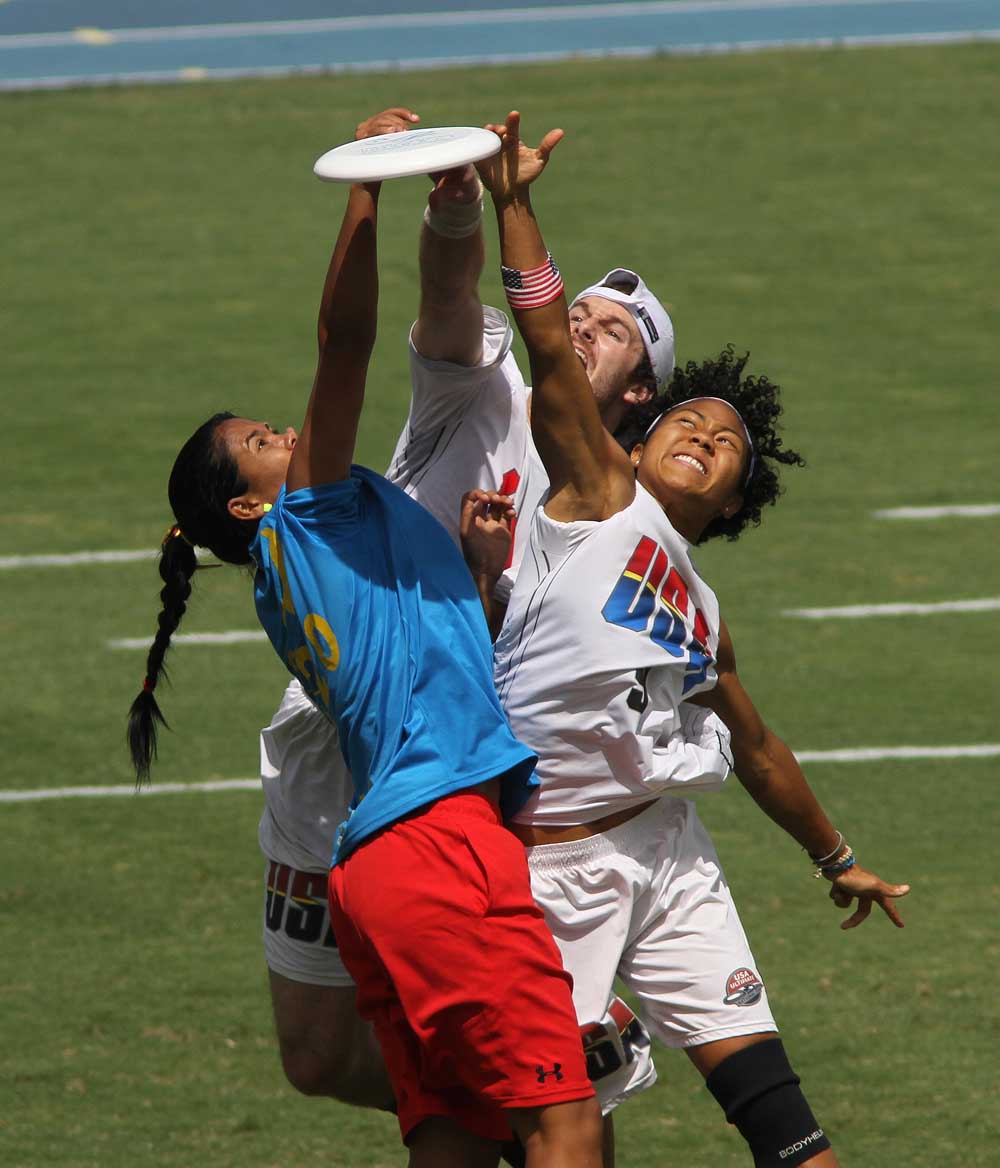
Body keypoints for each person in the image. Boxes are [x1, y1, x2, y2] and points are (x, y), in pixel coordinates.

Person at [127, 154, 604, 1168]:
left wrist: (475, 575)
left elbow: (414, 652)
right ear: (250, 501)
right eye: (263, 440)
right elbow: (343, 344)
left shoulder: (311, 566)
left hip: (378, 868)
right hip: (443, 845)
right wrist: (364, 191)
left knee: (459, 1135)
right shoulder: (308, 517)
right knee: (567, 1120)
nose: (288, 432)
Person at [477, 110, 911, 1168]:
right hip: (548, 872)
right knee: (558, 1144)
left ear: (733, 499)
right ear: (638, 437)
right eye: (689, 419)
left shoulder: (705, 615)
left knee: (789, 1132)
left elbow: (757, 749)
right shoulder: (598, 495)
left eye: (725, 444)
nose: (705, 434)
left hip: (667, 854)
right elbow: (546, 341)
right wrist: (514, 204)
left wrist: (838, 859)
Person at [254, 105, 678, 1137]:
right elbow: (446, 297)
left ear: (640, 393)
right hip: (336, 734)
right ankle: (546, 1084)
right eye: (579, 309)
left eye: (615, 330)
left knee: (536, 1078)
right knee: (317, 1056)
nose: (585, 323)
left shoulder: (625, 514)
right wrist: (453, 205)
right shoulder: (480, 387)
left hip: (462, 771)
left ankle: (556, 1081)